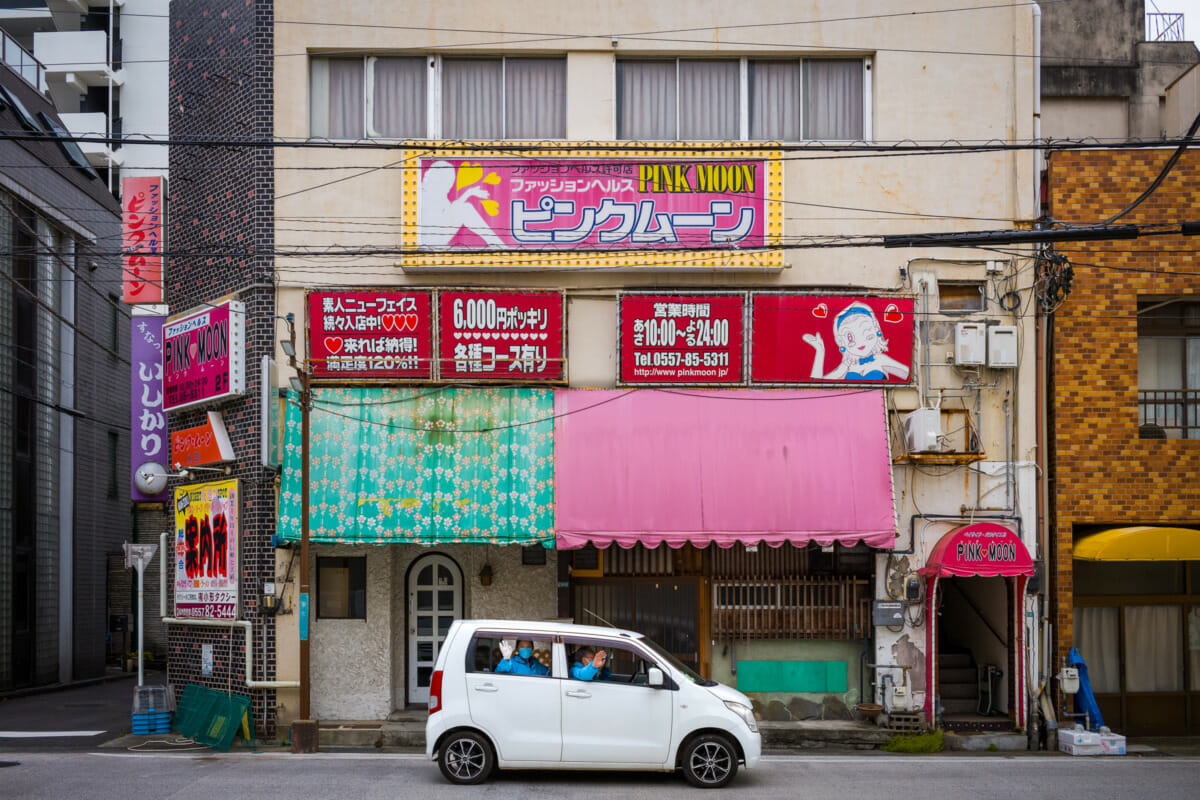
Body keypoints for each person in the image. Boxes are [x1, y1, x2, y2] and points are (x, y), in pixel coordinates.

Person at [801, 301, 910, 381]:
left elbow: (908, 375)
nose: (860, 342)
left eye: (866, 331)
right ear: (841, 341)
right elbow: (817, 385)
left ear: (875, 328)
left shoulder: (880, 359)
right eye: (850, 337)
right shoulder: (846, 365)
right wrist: (820, 352)